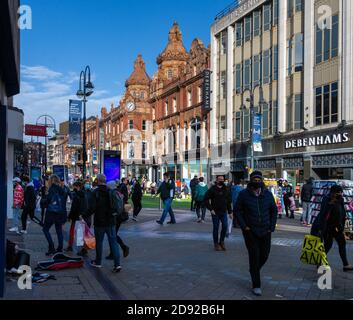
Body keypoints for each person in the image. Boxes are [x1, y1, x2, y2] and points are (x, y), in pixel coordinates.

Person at [236, 171, 278, 297]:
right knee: (254, 256)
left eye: (259, 179)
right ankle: (256, 285)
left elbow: (274, 210)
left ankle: (253, 270)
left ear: (262, 180)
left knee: (265, 255)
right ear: (250, 180)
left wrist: (271, 226)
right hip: (251, 231)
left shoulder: (268, 194)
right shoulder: (244, 194)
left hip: (266, 230)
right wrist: (245, 227)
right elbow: (237, 210)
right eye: (254, 179)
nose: (257, 181)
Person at [311, 185, 353, 272]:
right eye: (339, 192)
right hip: (328, 227)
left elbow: (342, 212)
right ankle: (321, 262)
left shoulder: (340, 199)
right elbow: (323, 214)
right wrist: (332, 202)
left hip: (337, 227)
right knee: (328, 244)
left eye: (341, 192)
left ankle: (345, 265)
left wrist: (343, 224)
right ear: (333, 192)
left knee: (340, 243)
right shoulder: (327, 199)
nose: (341, 194)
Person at [85, 174, 122, 273]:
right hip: (111, 221)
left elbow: (92, 208)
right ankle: (117, 264)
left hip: (100, 222)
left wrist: (84, 215)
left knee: (99, 242)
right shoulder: (111, 191)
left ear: (97, 181)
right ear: (105, 181)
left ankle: (98, 261)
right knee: (113, 242)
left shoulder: (95, 192)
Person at [204, 175, 233, 251]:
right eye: (219, 179)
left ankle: (222, 241)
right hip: (215, 212)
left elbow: (229, 202)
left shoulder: (226, 189)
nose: (221, 180)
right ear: (216, 180)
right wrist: (211, 209)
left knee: (225, 226)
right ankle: (216, 244)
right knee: (216, 228)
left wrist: (230, 212)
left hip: (224, 212)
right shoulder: (212, 189)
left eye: (222, 179)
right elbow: (206, 199)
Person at [42, 175, 67, 255]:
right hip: (60, 213)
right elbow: (63, 203)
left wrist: (43, 201)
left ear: (51, 181)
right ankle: (60, 248)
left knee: (45, 229)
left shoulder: (51, 189)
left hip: (51, 213)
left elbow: (48, 201)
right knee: (59, 231)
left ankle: (51, 247)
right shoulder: (62, 189)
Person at [66, 181, 85, 252]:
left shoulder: (77, 195)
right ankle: (81, 249)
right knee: (80, 233)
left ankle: (70, 246)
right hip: (81, 216)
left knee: (72, 232)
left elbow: (74, 207)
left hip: (76, 216)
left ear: (77, 187)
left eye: (74, 186)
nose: (73, 188)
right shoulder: (84, 194)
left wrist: (69, 216)